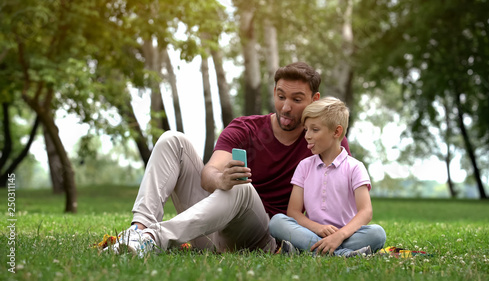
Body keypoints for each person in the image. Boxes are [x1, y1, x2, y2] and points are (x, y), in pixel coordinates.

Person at [107, 62, 351, 257]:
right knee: (173, 140)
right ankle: (137, 233)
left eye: (297, 100)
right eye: (280, 96)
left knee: (241, 189)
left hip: (261, 237)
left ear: (314, 100)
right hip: (209, 229)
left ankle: (153, 239)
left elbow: (340, 200)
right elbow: (208, 173)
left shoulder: (326, 140)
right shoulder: (245, 128)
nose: (286, 107)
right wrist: (221, 179)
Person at [268, 97, 386, 257]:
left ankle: (309, 251)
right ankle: (341, 254)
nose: (307, 136)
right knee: (277, 222)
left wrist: (339, 236)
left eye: (314, 130)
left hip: (345, 236)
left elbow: (366, 212)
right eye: (306, 129)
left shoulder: (355, 167)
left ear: (336, 132)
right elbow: (293, 212)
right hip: (311, 232)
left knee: (377, 233)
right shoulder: (304, 166)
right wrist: (319, 229)